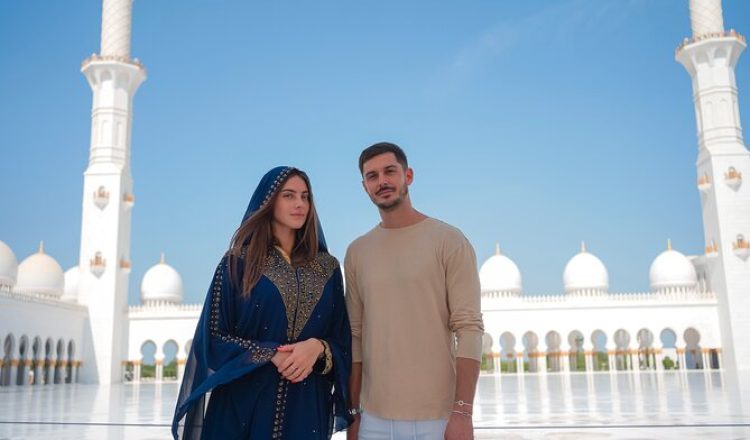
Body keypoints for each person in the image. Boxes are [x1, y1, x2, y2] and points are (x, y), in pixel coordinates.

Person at [172, 166, 352, 440]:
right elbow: (211, 339)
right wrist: (269, 353)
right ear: (269, 202)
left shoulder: (327, 268)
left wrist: (317, 348)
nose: (299, 204)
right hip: (242, 409)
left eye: (305, 197)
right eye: (289, 196)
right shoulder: (237, 263)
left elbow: (342, 340)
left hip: (305, 412)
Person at [345, 143, 484, 440]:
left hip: (437, 418)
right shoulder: (357, 252)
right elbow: (355, 334)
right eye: (372, 176)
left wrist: (462, 413)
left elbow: (469, 329)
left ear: (408, 176)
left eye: (389, 171)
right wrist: (354, 414)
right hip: (374, 419)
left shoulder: (449, 241)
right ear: (364, 187)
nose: (382, 181)